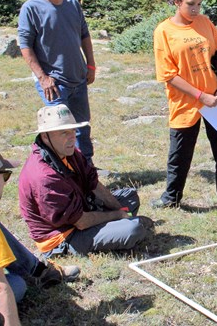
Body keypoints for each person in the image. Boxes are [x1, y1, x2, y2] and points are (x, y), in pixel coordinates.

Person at [0, 144, 78, 325]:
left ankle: (36, 270)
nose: (5, 181)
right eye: (5, 175)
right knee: (14, 287)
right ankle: (37, 272)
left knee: (16, 284)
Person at [151, 0, 217, 223]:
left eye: (199, 4)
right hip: (186, 104)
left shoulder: (205, 23)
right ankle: (171, 197)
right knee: (179, 154)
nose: (196, 9)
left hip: (216, 101)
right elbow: (168, 75)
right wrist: (201, 96)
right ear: (176, 1)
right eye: (191, 4)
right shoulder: (163, 31)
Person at [18, 105, 153, 258]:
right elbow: (80, 222)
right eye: (64, 132)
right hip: (65, 236)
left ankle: (116, 228)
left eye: (73, 131)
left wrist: (120, 210)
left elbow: (94, 185)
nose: (72, 137)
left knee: (130, 196)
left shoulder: (68, 152)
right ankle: (116, 231)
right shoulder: (44, 177)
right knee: (134, 229)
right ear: (45, 136)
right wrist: (118, 215)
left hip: (82, 210)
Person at [18, 0, 96, 164]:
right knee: (61, 131)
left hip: (78, 78)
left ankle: (86, 169)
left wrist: (91, 65)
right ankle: (62, 171)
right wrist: (43, 78)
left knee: (82, 128)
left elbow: (84, 35)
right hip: (54, 84)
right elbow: (25, 46)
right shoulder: (31, 9)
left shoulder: (72, 3)